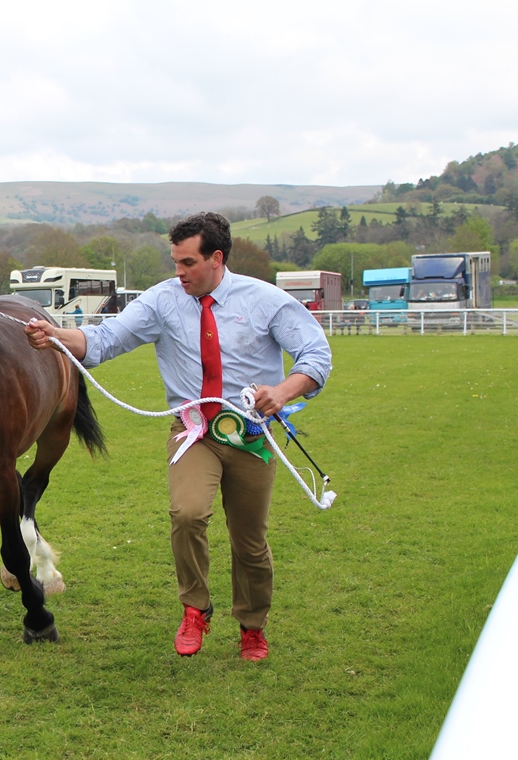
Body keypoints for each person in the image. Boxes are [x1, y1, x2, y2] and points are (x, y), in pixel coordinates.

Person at [24, 212, 332, 661]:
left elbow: (316, 355)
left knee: (250, 542)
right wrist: (56, 337)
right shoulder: (162, 301)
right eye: (175, 262)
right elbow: (106, 339)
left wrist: (284, 390)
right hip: (194, 432)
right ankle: (195, 608)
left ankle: (251, 625)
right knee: (187, 514)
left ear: (217, 258)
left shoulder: (266, 301)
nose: (179, 272)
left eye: (188, 263)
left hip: (250, 436)